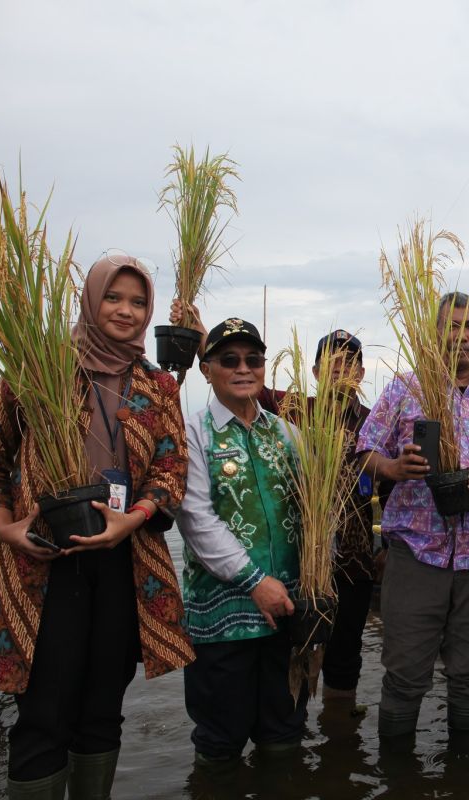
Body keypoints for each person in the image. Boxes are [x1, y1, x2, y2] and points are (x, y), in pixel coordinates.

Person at [0, 255, 193, 798]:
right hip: (43, 563)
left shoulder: (157, 386)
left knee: (103, 707)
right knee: (43, 712)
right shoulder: (38, 371)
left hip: (123, 562)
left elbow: (171, 470)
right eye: (114, 298)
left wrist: (135, 518)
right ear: (90, 300)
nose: (126, 311)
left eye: (138, 302)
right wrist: (6, 527)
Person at [355, 293, 469, 739]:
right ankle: (398, 778)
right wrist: (393, 467)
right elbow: (364, 449)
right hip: (416, 550)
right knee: (406, 673)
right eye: (450, 326)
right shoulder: (404, 388)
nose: (462, 336)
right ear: (433, 333)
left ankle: (464, 775)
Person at [177, 318, 308, 765]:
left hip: (287, 614)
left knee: (285, 732)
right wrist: (255, 581)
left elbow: (313, 510)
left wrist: (316, 582)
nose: (243, 368)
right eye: (229, 359)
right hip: (225, 618)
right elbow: (195, 517)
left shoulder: (288, 434)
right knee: (219, 739)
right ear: (207, 368)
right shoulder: (193, 433)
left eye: (253, 359)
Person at [309, 330, 382, 708]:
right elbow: (246, 389)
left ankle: (338, 742)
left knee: (345, 655)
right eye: (332, 360)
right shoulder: (295, 413)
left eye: (350, 360)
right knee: (298, 646)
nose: (341, 366)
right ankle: (292, 735)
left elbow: (390, 489)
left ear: (362, 372)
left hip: (355, 561)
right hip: (303, 560)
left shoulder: (375, 423)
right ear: (316, 371)